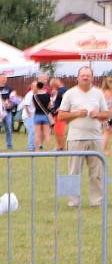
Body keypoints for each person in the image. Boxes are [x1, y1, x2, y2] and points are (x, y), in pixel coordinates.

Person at [58, 65, 109, 208]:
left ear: (92, 78)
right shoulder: (70, 94)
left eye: (88, 75)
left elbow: (106, 114)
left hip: (95, 138)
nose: (85, 78)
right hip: (76, 138)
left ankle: (96, 201)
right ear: (78, 78)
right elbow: (61, 115)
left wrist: (98, 115)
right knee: (73, 171)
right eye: (83, 75)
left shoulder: (98, 94)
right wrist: (76, 114)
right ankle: (73, 202)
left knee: (96, 172)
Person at [29, 74, 52, 153]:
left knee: (37, 133)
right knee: (47, 133)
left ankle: (37, 149)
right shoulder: (48, 95)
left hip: (37, 115)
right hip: (45, 115)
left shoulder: (34, 96)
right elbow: (49, 106)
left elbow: (34, 105)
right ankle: (49, 149)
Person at [50, 76, 68, 151]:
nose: (53, 88)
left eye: (53, 86)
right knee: (56, 130)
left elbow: (66, 100)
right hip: (56, 114)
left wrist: (61, 107)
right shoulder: (59, 90)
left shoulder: (62, 90)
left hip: (61, 114)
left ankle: (63, 147)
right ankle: (58, 146)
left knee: (60, 131)